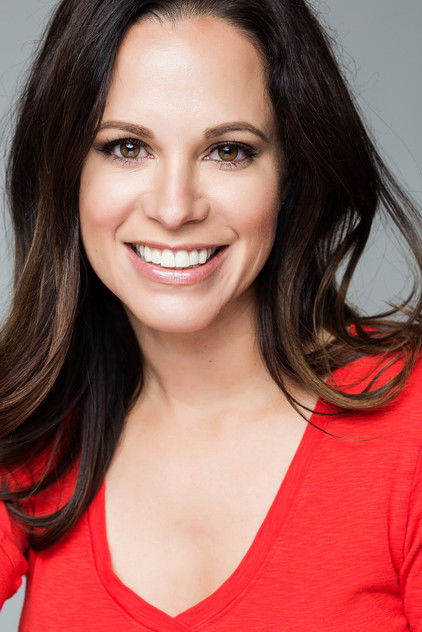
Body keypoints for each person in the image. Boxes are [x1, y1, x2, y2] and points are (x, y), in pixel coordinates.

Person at [0, 0, 421, 629]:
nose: (175, 209)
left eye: (228, 151)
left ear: (290, 175)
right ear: (65, 171)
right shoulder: (34, 429)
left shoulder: (410, 424)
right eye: (126, 147)